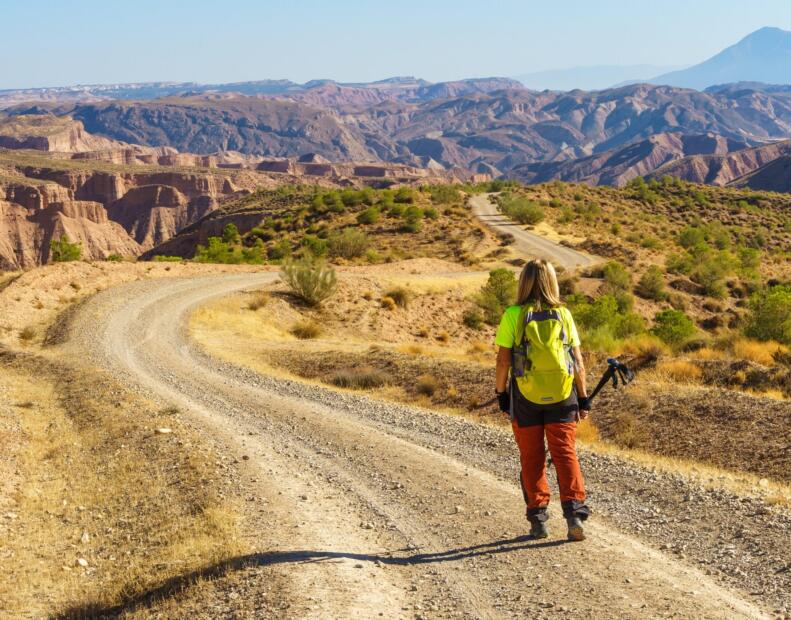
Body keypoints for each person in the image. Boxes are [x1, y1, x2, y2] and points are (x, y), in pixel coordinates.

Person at [494, 259, 591, 541]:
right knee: (565, 454)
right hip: (562, 395)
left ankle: (538, 521)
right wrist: (582, 398)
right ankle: (574, 516)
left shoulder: (513, 314)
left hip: (525, 397)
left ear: (523, 281)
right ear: (552, 282)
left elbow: (503, 361)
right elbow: (578, 362)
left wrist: (501, 394)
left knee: (532, 457)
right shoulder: (563, 314)